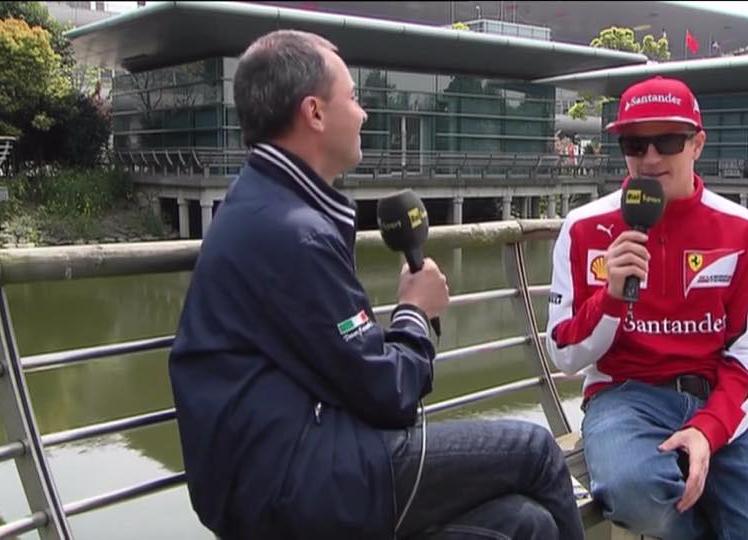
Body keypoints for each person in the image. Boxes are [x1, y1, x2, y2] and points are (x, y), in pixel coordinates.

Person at [168, 30, 584, 540]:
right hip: (298, 486)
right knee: (536, 452)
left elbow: (351, 365)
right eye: (353, 97)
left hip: (277, 474)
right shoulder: (291, 232)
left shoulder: (263, 204)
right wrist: (415, 312)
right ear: (314, 113)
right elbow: (387, 394)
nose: (364, 113)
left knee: (524, 524)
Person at [545, 76, 748, 540]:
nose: (650, 158)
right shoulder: (583, 228)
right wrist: (611, 296)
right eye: (634, 143)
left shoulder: (744, 230)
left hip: (717, 397)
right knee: (633, 491)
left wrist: (708, 428)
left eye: (667, 141)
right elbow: (565, 356)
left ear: (697, 144)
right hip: (623, 397)